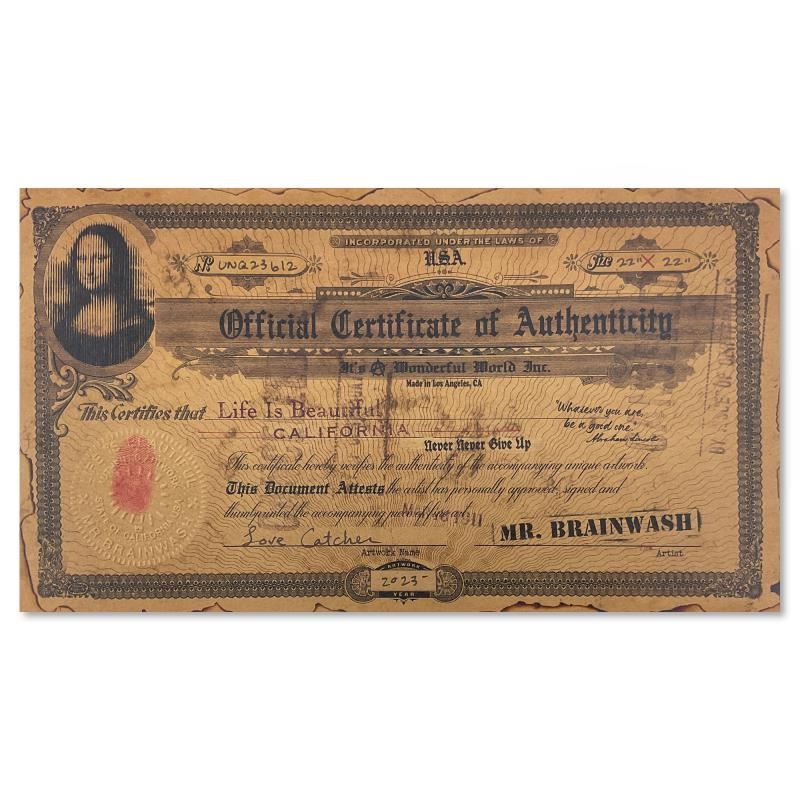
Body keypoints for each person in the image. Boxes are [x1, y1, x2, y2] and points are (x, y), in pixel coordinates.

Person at [51, 224, 153, 366]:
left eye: (99, 258)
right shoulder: (66, 325)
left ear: (117, 261)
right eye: (81, 259)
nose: (89, 270)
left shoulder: (138, 325)